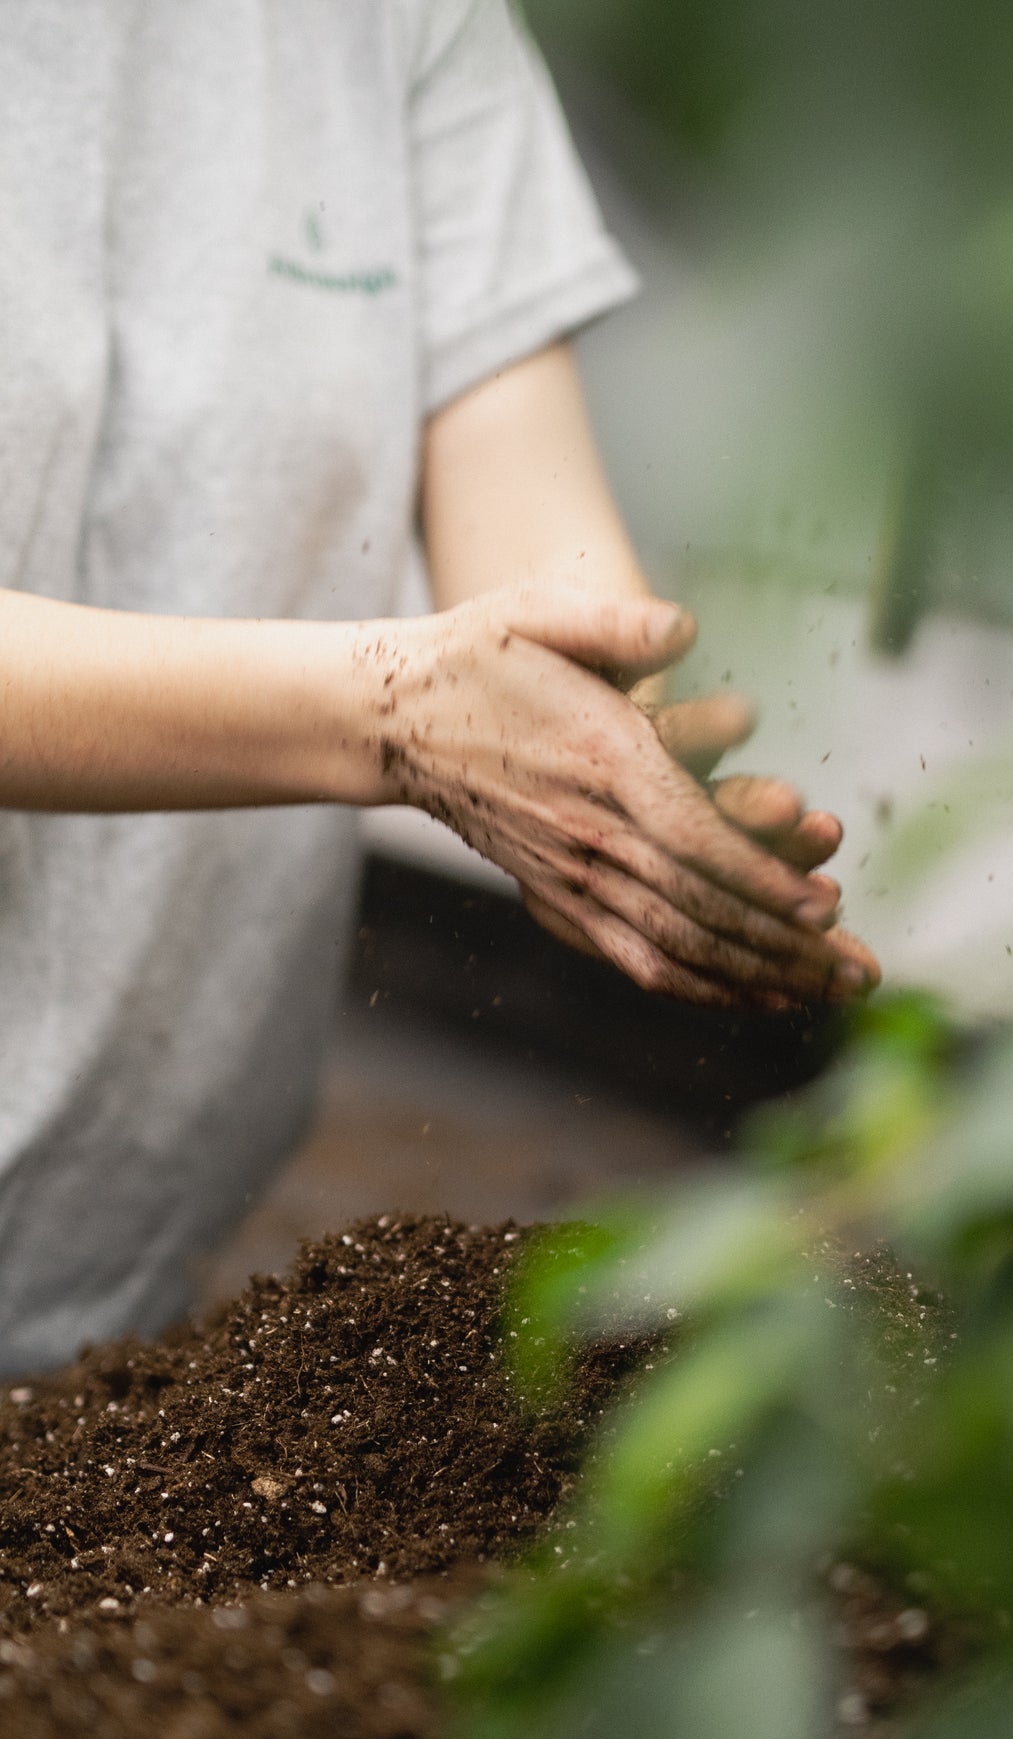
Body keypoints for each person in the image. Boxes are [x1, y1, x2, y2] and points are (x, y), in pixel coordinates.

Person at [0, 0, 878, 1375]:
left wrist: (617, 771)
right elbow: (404, 701)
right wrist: (392, 715)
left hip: (110, 1317)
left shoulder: (398, 23)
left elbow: (537, 540)